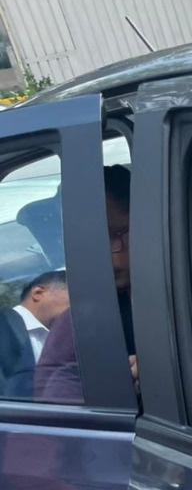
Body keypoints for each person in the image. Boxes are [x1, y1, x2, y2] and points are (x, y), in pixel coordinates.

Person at [35, 165, 136, 402]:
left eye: (114, 235)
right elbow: (56, 404)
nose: (103, 256)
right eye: (91, 242)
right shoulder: (87, 319)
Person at [0, 270, 69, 397]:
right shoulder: (4, 327)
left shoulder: (62, 337)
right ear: (38, 293)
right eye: (73, 299)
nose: (78, 307)